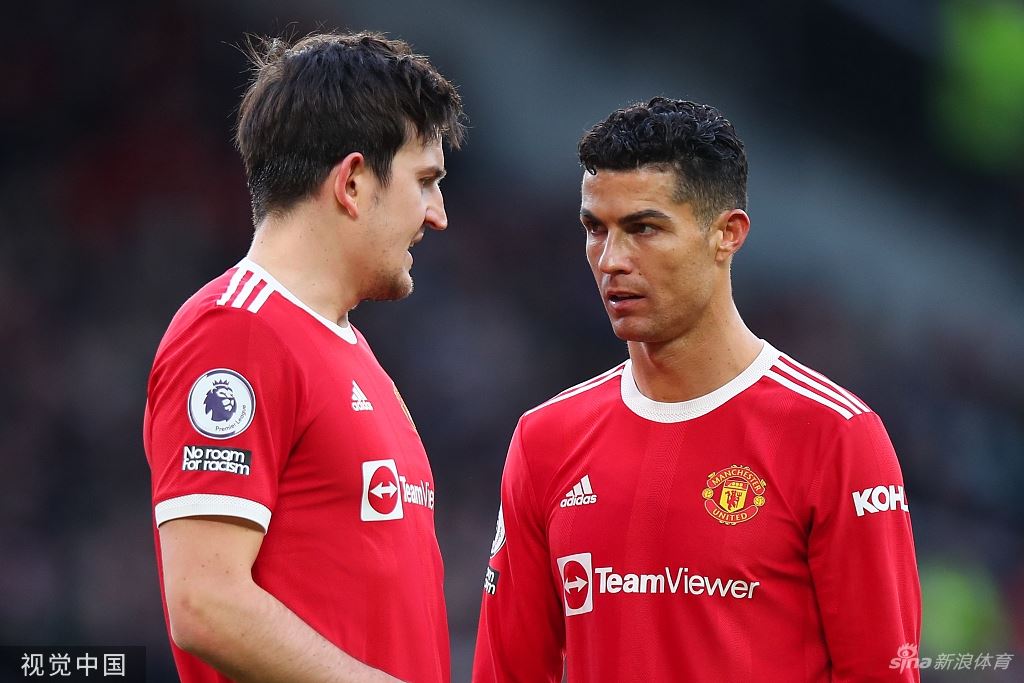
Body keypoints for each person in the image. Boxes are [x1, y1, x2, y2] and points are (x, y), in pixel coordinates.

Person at [473, 98, 920, 682]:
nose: (611, 260)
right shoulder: (545, 439)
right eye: (595, 229)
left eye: (644, 228)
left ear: (726, 235)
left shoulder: (833, 435)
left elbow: (883, 672)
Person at [143, 31, 464, 683]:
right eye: (425, 182)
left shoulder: (349, 351)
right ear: (353, 181)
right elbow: (205, 604)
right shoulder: (234, 331)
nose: (438, 215)